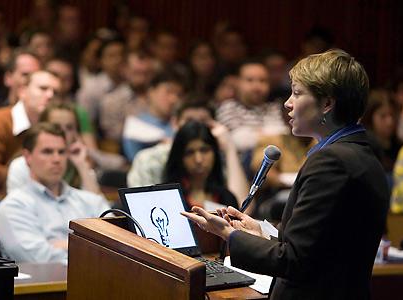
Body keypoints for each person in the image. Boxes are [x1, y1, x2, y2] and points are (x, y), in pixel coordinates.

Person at [182, 49, 389, 299]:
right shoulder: (362, 154)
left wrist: (227, 234)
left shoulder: (332, 161)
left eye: (297, 93)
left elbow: (294, 261)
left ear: (326, 104)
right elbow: (321, 249)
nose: (287, 103)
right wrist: (258, 232)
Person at [0, 123, 110, 262]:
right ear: (27, 156)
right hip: (45, 282)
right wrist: (90, 247)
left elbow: (118, 246)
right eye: (47, 152)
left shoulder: (91, 201)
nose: (56, 159)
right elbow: (40, 259)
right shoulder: (14, 206)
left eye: (61, 152)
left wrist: (63, 245)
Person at [0, 69, 61, 189]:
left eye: (55, 92)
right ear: (22, 92)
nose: (50, 95)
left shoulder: (58, 127)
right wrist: (34, 177)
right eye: (43, 88)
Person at [7, 100, 101, 195]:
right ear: (42, 127)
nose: (63, 133)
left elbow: (98, 207)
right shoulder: (21, 166)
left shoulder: (79, 163)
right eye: (56, 126)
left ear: (76, 133)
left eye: (69, 127)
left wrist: (82, 165)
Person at [164, 120, 238, 210]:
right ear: (179, 157)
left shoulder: (228, 199)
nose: (198, 160)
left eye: (204, 150)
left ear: (215, 152)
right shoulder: (168, 199)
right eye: (189, 153)